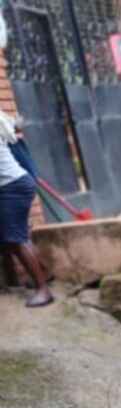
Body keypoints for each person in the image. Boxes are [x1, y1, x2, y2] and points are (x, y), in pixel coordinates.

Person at [0, 111, 53, 307]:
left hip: (13, 186)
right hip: (15, 183)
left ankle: (43, 291)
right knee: (13, 235)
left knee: (15, 238)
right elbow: (16, 126)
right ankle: (44, 274)